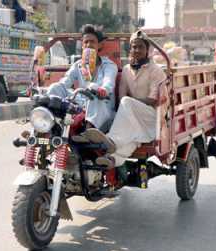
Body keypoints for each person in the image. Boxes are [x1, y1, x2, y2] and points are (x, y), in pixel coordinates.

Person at [82, 30, 167, 168]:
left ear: (147, 50)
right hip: (131, 118)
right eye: (134, 47)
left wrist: (130, 104)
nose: (137, 50)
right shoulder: (127, 70)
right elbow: (121, 96)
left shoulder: (155, 70)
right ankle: (112, 160)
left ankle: (111, 140)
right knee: (132, 139)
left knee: (126, 103)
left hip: (151, 119)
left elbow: (153, 100)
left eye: (141, 47)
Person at [47, 24, 117, 134]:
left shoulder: (109, 65)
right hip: (79, 105)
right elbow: (66, 81)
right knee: (55, 88)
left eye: (92, 42)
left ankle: (89, 132)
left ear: (99, 45)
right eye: (86, 42)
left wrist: (103, 90)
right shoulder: (78, 65)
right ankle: (49, 127)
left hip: (101, 105)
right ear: (83, 46)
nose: (89, 44)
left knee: (93, 94)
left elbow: (109, 81)